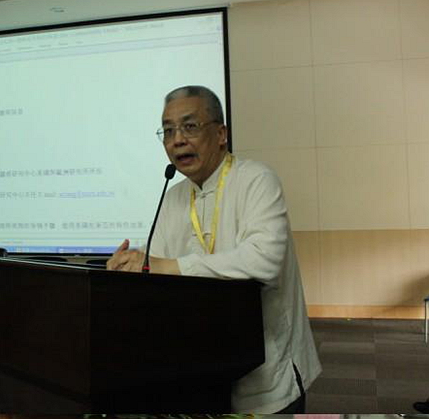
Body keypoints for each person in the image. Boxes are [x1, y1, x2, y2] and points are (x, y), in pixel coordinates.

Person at [106, 85, 321, 413]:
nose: (177, 140)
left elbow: (264, 262)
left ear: (221, 134)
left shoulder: (256, 180)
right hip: (201, 370)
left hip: (267, 373)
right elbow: (153, 266)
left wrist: (164, 266)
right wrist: (126, 268)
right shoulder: (174, 196)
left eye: (189, 126)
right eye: (168, 131)